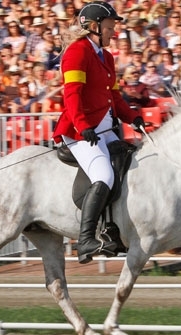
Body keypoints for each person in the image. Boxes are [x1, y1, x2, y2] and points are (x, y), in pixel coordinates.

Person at [52, 1, 144, 264]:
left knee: (125, 168)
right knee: (103, 175)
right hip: (80, 131)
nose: (113, 32)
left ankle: (111, 229)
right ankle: (85, 240)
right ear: (93, 27)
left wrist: (132, 117)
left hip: (103, 128)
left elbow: (113, 95)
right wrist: (82, 126)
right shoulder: (76, 53)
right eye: (109, 27)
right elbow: (72, 96)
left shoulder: (108, 57)